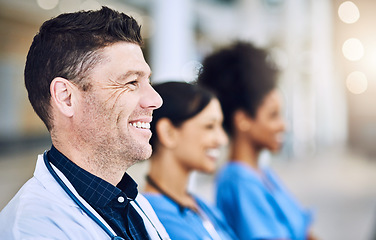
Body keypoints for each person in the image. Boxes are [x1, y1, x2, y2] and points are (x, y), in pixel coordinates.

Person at [0, 6, 170, 240]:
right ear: (66, 97)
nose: (156, 100)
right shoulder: (32, 230)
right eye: (131, 82)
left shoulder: (128, 202)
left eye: (147, 81)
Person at [198, 42, 318, 240]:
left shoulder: (263, 173)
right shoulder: (237, 181)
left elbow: (306, 231)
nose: (284, 126)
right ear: (243, 120)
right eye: (273, 116)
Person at [143, 81, 238, 240]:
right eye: (209, 126)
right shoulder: (155, 216)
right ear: (168, 132)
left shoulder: (201, 206)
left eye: (220, 126)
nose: (222, 139)